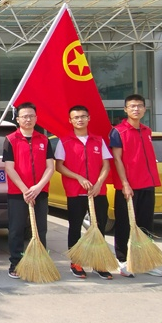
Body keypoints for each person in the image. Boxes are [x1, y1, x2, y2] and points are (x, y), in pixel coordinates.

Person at [54, 105, 113, 280]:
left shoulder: (98, 140)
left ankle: (98, 262)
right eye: (76, 117)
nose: (80, 120)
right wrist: (79, 178)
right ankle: (76, 262)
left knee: (99, 227)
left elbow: (106, 164)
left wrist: (99, 183)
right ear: (70, 120)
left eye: (83, 116)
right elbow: (59, 166)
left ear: (89, 118)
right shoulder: (64, 141)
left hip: (98, 192)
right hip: (75, 192)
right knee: (75, 227)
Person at [110, 94, 162, 278]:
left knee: (145, 225)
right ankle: (122, 261)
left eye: (140, 106)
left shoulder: (147, 131)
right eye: (132, 106)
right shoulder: (118, 132)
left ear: (144, 109)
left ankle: (144, 261)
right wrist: (125, 184)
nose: (136, 109)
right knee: (124, 225)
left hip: (147, 184)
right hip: (128, 187)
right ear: (125, 109)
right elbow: (117, 159)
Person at [3, 102, 55, 279]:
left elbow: (50, 167)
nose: (28, 119)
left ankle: (39, 261)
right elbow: (9, 168)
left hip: (40, 192)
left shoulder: (44, 140)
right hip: (18, 193)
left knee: (40, 229)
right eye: (24, 116)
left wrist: (38, 187)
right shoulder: (10, 139)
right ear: (18, 119)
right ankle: (15, 262)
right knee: (16, 229)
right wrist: (26, 190)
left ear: (36, 118)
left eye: (31, 116)